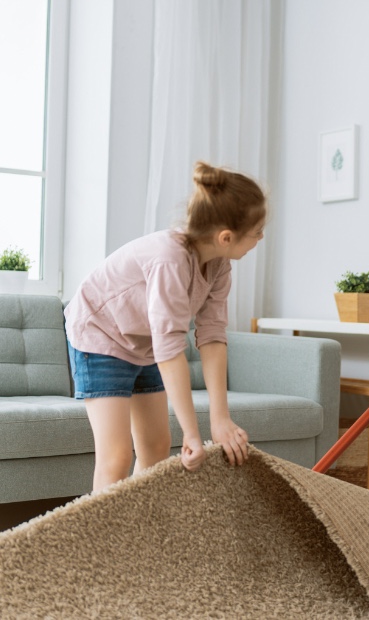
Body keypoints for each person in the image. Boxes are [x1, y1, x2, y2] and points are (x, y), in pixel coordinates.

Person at [65, 161, 266, 492]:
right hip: (100, 336)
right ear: (226, 236)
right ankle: (104, 543)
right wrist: (192, 433)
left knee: (157, 449)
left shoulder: (220, 264)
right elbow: (171, 349)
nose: (261, 237)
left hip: (145, 342)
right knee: (115, 458)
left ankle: (140, 534)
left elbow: (212, 335)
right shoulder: (169, 260)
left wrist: (220, 420)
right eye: (257, 231)